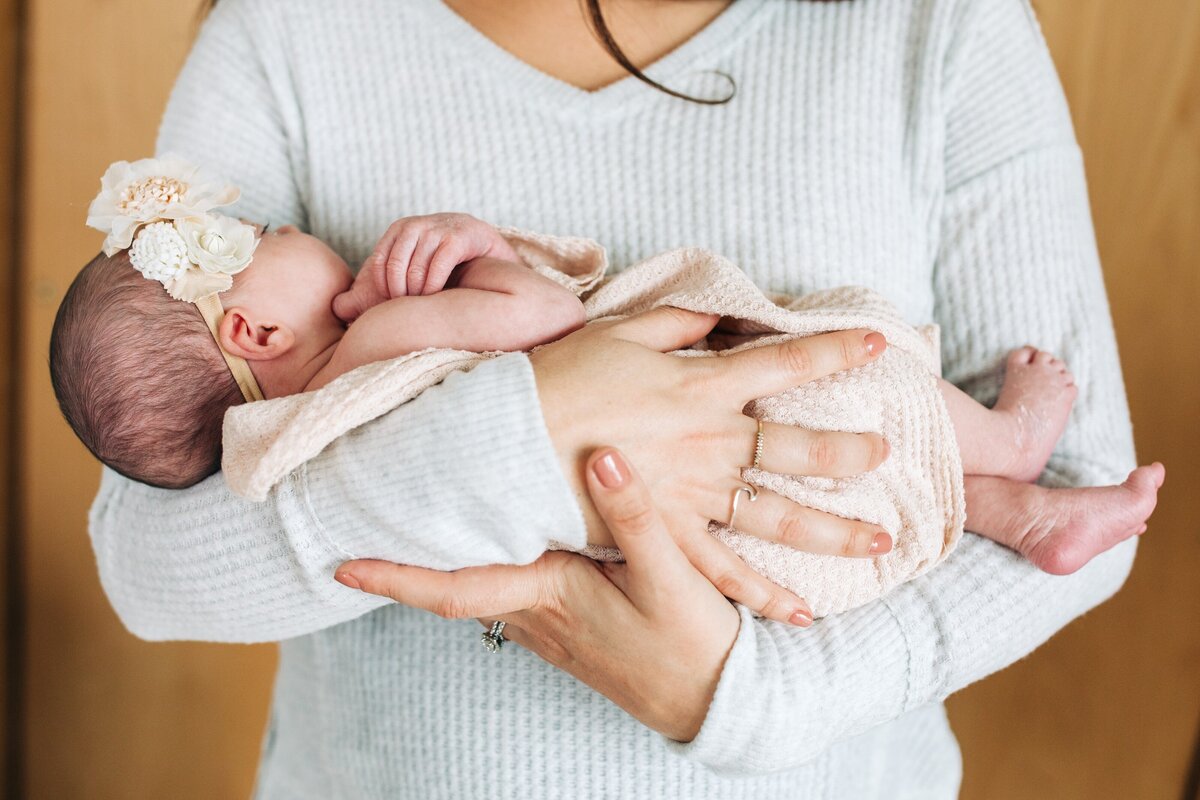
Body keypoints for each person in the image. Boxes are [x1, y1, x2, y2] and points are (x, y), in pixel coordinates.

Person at [86, 0, 1144, 796]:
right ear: (253, 333)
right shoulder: (290, 32)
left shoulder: (935, 22)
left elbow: (1093, 488)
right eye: (266, 237)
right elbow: (146, 555)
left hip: (821, 736)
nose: (278, 239)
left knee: (869, 418)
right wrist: (533, 444)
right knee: (854, 387)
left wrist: (742, 697)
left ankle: (1001, 484)